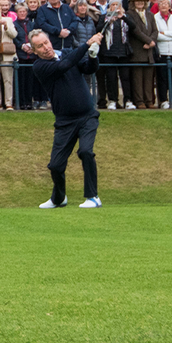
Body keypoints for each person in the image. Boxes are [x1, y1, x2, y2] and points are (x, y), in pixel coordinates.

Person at [30, 28, 105, 209]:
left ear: (50, 41)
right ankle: (59, 198)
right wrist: (87, 44)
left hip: (87, 115)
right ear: (35, 51)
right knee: (56, 165)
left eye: (46, 43)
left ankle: (92, 196)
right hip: (65, 121)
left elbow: (88, 68)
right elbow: (63, 67)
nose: (45, 48)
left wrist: (93, 56)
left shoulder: (67, 53)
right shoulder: (40, 66)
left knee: (86, 151)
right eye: (40, 46)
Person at [124, 0, 158, 109]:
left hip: (149, 51)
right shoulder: (130, 14)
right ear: (133, 2)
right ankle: (139, 101)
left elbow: (155, 30)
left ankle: (149, 101)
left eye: (142, 1)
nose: (140, 3)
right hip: (137, 50)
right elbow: (135, 31)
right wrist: (148, 41)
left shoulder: (150, 14)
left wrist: (151, 42)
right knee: (137, 79)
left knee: (149, 79)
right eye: (137, 1)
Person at [96, 0, 131, 110]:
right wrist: (108, 21)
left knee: (125, 77)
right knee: (111, 77)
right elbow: (98, 30)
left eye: (117, 5)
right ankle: (113, 100)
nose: (115, 7)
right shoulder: (104, 17)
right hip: (109, 52)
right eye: (113, 5)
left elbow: (133, 27)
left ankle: (128, 100)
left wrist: (123, 17)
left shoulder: (125, 17)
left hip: (123, 52)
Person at [152, 0, 172, 109]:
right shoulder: (155, 18)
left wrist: (165, 33)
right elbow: (157, 35)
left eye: (166, 4)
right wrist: (171, 34)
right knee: (162, 77)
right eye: (161, 4)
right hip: (162, 51)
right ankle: (163, 100)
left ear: (170, 6)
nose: (164, 6)